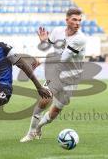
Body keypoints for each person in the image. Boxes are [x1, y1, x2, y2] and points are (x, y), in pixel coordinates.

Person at [20, 8, 86, 142]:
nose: (77, 23)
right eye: (74, 19)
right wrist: (44, 41)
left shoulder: (80, 39)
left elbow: (63, 58)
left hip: (71, 78)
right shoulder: (57, 31)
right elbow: (47, 46)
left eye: (80, 20)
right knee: (44, 99)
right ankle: (31, 133)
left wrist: (41, 61)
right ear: (67, 20)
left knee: (55, 110)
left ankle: (39, 127)